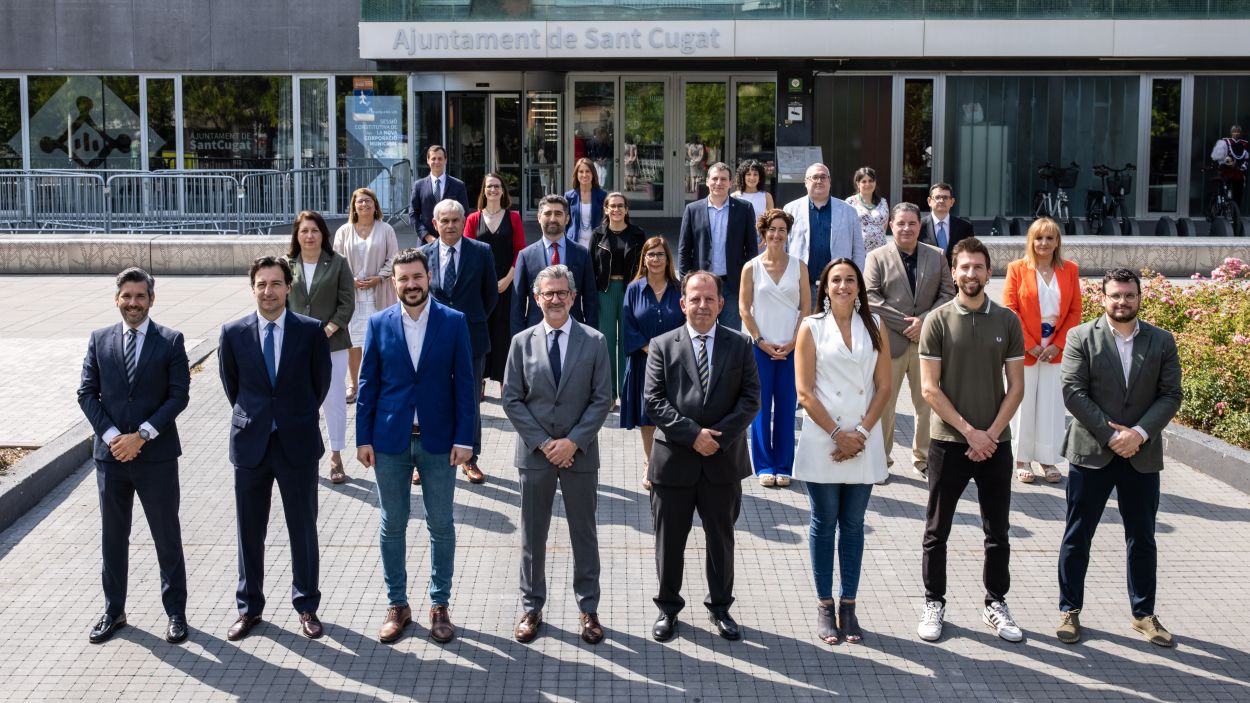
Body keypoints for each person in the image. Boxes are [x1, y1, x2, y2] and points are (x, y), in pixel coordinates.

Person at [355, 248, 476, 645]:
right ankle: (398, 605)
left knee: (441, 523)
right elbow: (368, 385)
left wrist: (466, 439)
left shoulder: (453, 322)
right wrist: (363, 438)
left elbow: (465, 385)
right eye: (403, 278)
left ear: (429, 278)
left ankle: (439, 605)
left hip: (439, 441)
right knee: (392, 523)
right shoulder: (378, 323)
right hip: (390, 441)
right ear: (394, 283)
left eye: (417, 277)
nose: (411, 284)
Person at [1056, 268, 1182, 648]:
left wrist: (1138, 434)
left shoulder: (1161, 340)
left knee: (1142, 537)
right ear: (1103, 297)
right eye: (1115, 295)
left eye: (1129, 295)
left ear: (1139, 297)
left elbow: (1170, 394)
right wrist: (1112, 436)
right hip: (1092, 453)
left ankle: (1144, 614)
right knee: (1078, 535)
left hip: (1141, 455)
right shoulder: (1081, 337)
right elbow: (1073, 391)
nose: (1122, 302)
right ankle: (1069, 610)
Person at [916, 237, 1025, 644]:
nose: (971, 273)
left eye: (978, 266)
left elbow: (1016, 387)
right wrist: (969, 432)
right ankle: (934, 602)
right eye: (964, 266)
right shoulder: (938, 320)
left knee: (997, 531)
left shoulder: (1008, 321)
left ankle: (996, 602)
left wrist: (990, 435)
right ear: (953, 272)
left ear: (989, 272)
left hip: (996, 444)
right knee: (937, 530)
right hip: (948, 441)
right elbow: (929, 389)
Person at [218, 256, 332, 641]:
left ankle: (307, 605)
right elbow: (233, 386)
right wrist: (259, 417)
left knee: (303, 528)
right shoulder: (232, 333)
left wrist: (291, 416)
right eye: (262, 284)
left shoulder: (311, 331)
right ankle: (249, 608)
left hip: (296, 443)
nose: (268, 291)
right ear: (253, 288)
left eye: (276, 284)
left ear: (288, 287)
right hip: (250, 445)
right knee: (249, 531)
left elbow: (319, 384)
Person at [645, 271, 762, 643]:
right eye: (695, 298)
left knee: (721, 542)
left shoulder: (740, 344)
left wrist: (717, 439)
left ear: (721, 304)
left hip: (722, 463)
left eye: (709, 299)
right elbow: (654, 401)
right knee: (669, 543)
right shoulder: (662, 345)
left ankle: (721, 607)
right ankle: (668, 609)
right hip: (673, 463)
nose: (702, 305)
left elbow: (751, 399)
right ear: (683, 303)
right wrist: (693, 435)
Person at [77, 267, 190, 645]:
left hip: (156, 457)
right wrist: (113, 438)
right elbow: (86, 393)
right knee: (113, 538)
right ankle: (114, 611)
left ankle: (176, 613)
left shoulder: (170, 341)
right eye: (126, 296)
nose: (133, 303)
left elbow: (178, 396)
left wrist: (141, 436)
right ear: (117, 299)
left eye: (140, 296)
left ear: (151, 300)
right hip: (111, 459)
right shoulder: (99, 340)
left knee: (166, 536)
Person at [502, 265, 613, 645]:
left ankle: (588, 609)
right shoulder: (521, 342)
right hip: (535, 455)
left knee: (584, 533)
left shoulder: (595, 341)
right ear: (537, 298)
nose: (555, 299)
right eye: (548, 293)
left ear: (573, 296)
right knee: (533, 535)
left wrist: (573, 442)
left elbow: (602, 399)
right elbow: (511, 398)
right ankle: (531, 607)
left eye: (561, 293)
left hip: (580, 454)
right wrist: (544, 443)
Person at [792, 258, 892, 645]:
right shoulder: (811, 327)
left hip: (863, 439)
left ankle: (848, 606)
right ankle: (824, 605)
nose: (844, 286)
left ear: (859, 287)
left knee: (853, 524)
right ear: (825, 287)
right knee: (823, 521)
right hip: (824, 438)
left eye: (851, 280)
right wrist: (838, 434)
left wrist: (861, 433)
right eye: (836, 280)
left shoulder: (876, 324)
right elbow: (805, 392)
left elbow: (884, 386)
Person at [863, 202, 955, 480]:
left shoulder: (936, 255)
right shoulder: (876, 257)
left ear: (920, 226)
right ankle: (882, 460)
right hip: (890, 342)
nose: (906, 228)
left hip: (927, 344)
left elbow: (948, 294)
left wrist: (923, 321)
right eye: (900, 223)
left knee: (928, 404)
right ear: (890, 225)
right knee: (884, 404)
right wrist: (908, 325)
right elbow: (871, 298)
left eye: (912, 223)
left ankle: (923, 459)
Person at [422, 199, 499, 486]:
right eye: (445, 220)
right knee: (431, 398)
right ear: (435, 224)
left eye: (456, 220)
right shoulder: (423, 255)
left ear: (464, 222)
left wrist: (470, 321)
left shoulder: (481, 251)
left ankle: (470, 458)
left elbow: (490, 295)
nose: (451, 225)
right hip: (433, 340)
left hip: (471, 338)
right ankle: (426, 458)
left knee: (469, 401)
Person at [1002, 218, 1082, 484]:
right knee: (1022, 403)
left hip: (1056, 347)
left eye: (1050, 238)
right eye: (1039, 238)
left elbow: (1074, 311)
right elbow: (1010, 308)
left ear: (1057, 241)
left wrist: (1058, 344)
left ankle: (1048, 459)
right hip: (1025, 346)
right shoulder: (1017, 268)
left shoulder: (1070, 269)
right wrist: (1030, 344)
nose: (1044, 243)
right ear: (1031, 241)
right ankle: (1021, 458)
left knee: (1051, 404)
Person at [739, 208, 809, 487]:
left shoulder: (799, 266)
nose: (777, 235)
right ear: (764, 233)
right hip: (760, 348)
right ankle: (764, 465)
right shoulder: (751, 267)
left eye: (782, 230)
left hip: (792, 348)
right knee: (760, 407)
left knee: (786, 408)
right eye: (772, 230)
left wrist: (794, 342)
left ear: (787, 234)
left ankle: (784, 465)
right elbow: (744, 308)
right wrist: (760, 341)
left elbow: (806, 308)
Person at [285, 210, 355, 484]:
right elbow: (280, 303)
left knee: (333, 399)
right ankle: (307, 452)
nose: (310, 236)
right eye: (304, 231)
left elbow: (347, 302)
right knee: (301, 400)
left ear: (323, 234)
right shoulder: (286, 264)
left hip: (332, 343)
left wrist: (326, 330)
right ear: (297, 235)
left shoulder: (338, 263)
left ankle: (336, 455)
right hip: (295, 344)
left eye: (315, 230)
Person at [621, 237, 684, 491]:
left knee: (674, 413)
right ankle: (650, 461)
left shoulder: (679, 288)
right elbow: (628, 325)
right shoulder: (633, 289)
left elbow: (688, 324)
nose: (656, 259)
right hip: (643, 362)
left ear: (668, 259)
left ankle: (672, 461)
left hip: (676, 361)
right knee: (647, 416)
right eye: (651, 254)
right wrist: (652, 350)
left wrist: (671, 351)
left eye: (660, 254)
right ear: (644, 259)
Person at [465, 172, 528, 396]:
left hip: (507, 282)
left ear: (503, 191)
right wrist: (485, 282)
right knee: (482, 330)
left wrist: (508, 279)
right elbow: (468, 251)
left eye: (497, 186)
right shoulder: (473, 219)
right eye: (489, 186)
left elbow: (520, 251)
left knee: (504, 331)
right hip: (480, 284)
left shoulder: (514, 218)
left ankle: (504, 380)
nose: (493, 190)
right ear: (484, 190)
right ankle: (480, 379)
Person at [334, 187, 398, 403]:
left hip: (379, 291)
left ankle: (378, 384)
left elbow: (394, 258)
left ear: (375, 205)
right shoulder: (344, 231)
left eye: (368, 201)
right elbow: (336, 260)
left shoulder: (386, 229)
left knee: (379, 340)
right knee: (353, 341)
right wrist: (349, 279)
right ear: (354, 206)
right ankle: (353, 384)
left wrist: (379, 277)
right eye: (360, 201)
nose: (364, 204)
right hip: (351, 294)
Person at [677, 162, 758, 329]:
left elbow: (751, 250)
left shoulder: (744, 209)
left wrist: (749, 281)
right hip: (701, 285)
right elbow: (684, 250)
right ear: (707, 181)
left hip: (732, 285)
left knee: (730, 335)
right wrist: (685, 282)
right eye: (714, 179)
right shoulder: (692, 210)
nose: (719, 183)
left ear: (730, 183)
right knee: (701, 332)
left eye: (723, 179)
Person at [512, 194, 598, 335]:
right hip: (536, 334)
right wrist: (520, 340)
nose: (552, 219)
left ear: (567, 219)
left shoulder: (582, 254)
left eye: (558, 214)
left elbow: (591, 301)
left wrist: (591, 336)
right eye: (547, 214)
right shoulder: (525, 256)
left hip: (575, 333)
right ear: (539, 218)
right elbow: (517, 305)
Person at [589, 192, 645, 402]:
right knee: (607, 341)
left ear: (627, 209)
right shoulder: (598, 234)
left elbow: (644, 265)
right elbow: (591, 266)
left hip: (630, 290)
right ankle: (609, 394)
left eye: (621, 205)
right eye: (612, 206)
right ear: (606, 209)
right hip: (605, 291)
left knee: (626, 341)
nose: (616, 209)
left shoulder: (638, 234)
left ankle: (626, 391)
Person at [784, 163, 864, 304]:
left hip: (839, 288)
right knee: (803, 319)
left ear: (829, 181)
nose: (819, 181)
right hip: (800, 286)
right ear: (806, 182)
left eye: (823, 177)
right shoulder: (790, 209)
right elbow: (784, 248)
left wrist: (855, 280)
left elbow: (858, 250)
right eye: (815, 177)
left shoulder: (848, 211)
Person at [410, 144, 470, 244]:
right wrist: (426, 236)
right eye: (433, 158)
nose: (437, 162)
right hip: (426, 242)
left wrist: (456, 235)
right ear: (428, 161)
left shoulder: (458, 185)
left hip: (453, 241)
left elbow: (465, 214)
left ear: (445, 160)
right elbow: (413, 215)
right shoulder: (418, 186)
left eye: (440, 158)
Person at [919, 183, 974, 264]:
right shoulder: (919, 226)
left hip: (955, 271)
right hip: (928, 271)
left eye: (945, 197)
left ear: (952, 202)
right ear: (929, 201)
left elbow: (970, 254)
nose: (941, 201)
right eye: (937, 197)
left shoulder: (965, 227)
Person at [565, 157, 608, 246]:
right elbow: (565, 222)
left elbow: (606, 221)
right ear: (576, 174)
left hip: (596, 243)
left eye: (588, 171)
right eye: (581, 171)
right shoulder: (569, 196)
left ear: (593, 174)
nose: (584, 175)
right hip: (574, 243)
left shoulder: (602, 196)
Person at [845, 166, 889, 253]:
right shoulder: (850, 202)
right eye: (864, 181)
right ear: (858, 184)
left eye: (870, 181)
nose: (867, 184)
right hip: (859, 252)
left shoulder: (883, 202)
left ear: (875, 182)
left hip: (881, 251)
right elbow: (846, 229)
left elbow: (884, 226)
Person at [1211, 124, 1249, 207]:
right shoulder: (1225, 142)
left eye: (1238, 132)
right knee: (1223, 191)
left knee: (1238, 193)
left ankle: (1235, 212)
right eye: (1234, 132)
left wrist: (1244, 166)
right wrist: (1225, 162)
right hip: (1226, 172)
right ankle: (1221, 206)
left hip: (1239, 173)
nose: (1236, 134)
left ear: (1240, 133)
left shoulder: (1245, 143)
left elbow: (1246, 158)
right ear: (1231, 133)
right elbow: (1219, 157)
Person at [731, 159, 775, 230]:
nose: (752, 178)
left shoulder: (767, 196)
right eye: (748, 174)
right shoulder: (734, 196)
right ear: (743, 177)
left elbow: (771, 222)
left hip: (760, 235)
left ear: (760, 177)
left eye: (755, 174)